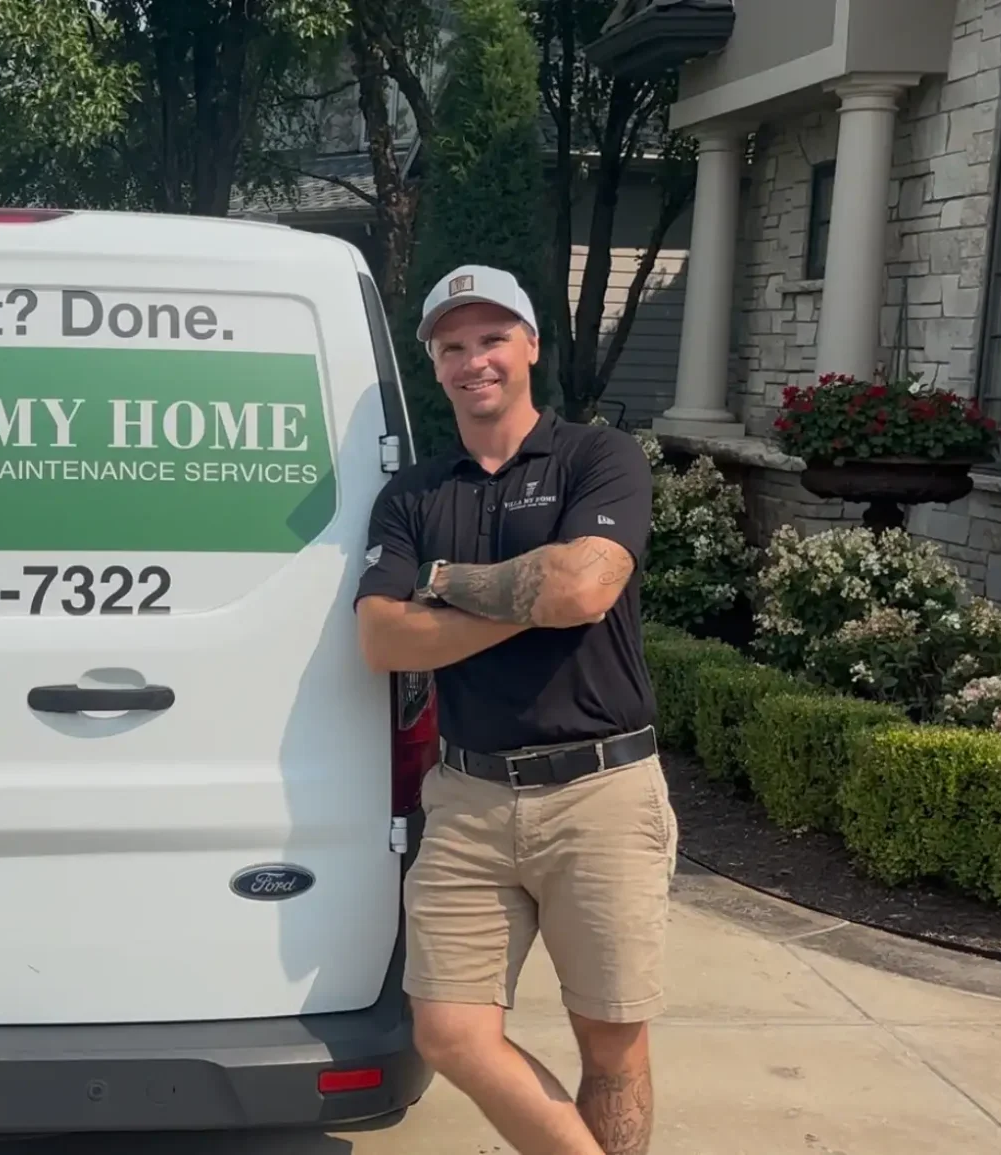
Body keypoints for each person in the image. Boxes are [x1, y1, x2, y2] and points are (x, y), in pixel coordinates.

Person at [353, 265, 671, 1155]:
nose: (473, 360)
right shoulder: (413, 493)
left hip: (601, 790)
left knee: (610, 1042)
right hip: (468, 798)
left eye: (491, 338)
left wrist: (445, 584)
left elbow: (585, 588)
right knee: (448, 1031)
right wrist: (530, 598)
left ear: (530, 344)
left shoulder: (598, 458)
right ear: (436, 364)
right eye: (452, 346)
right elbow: (382, 639)